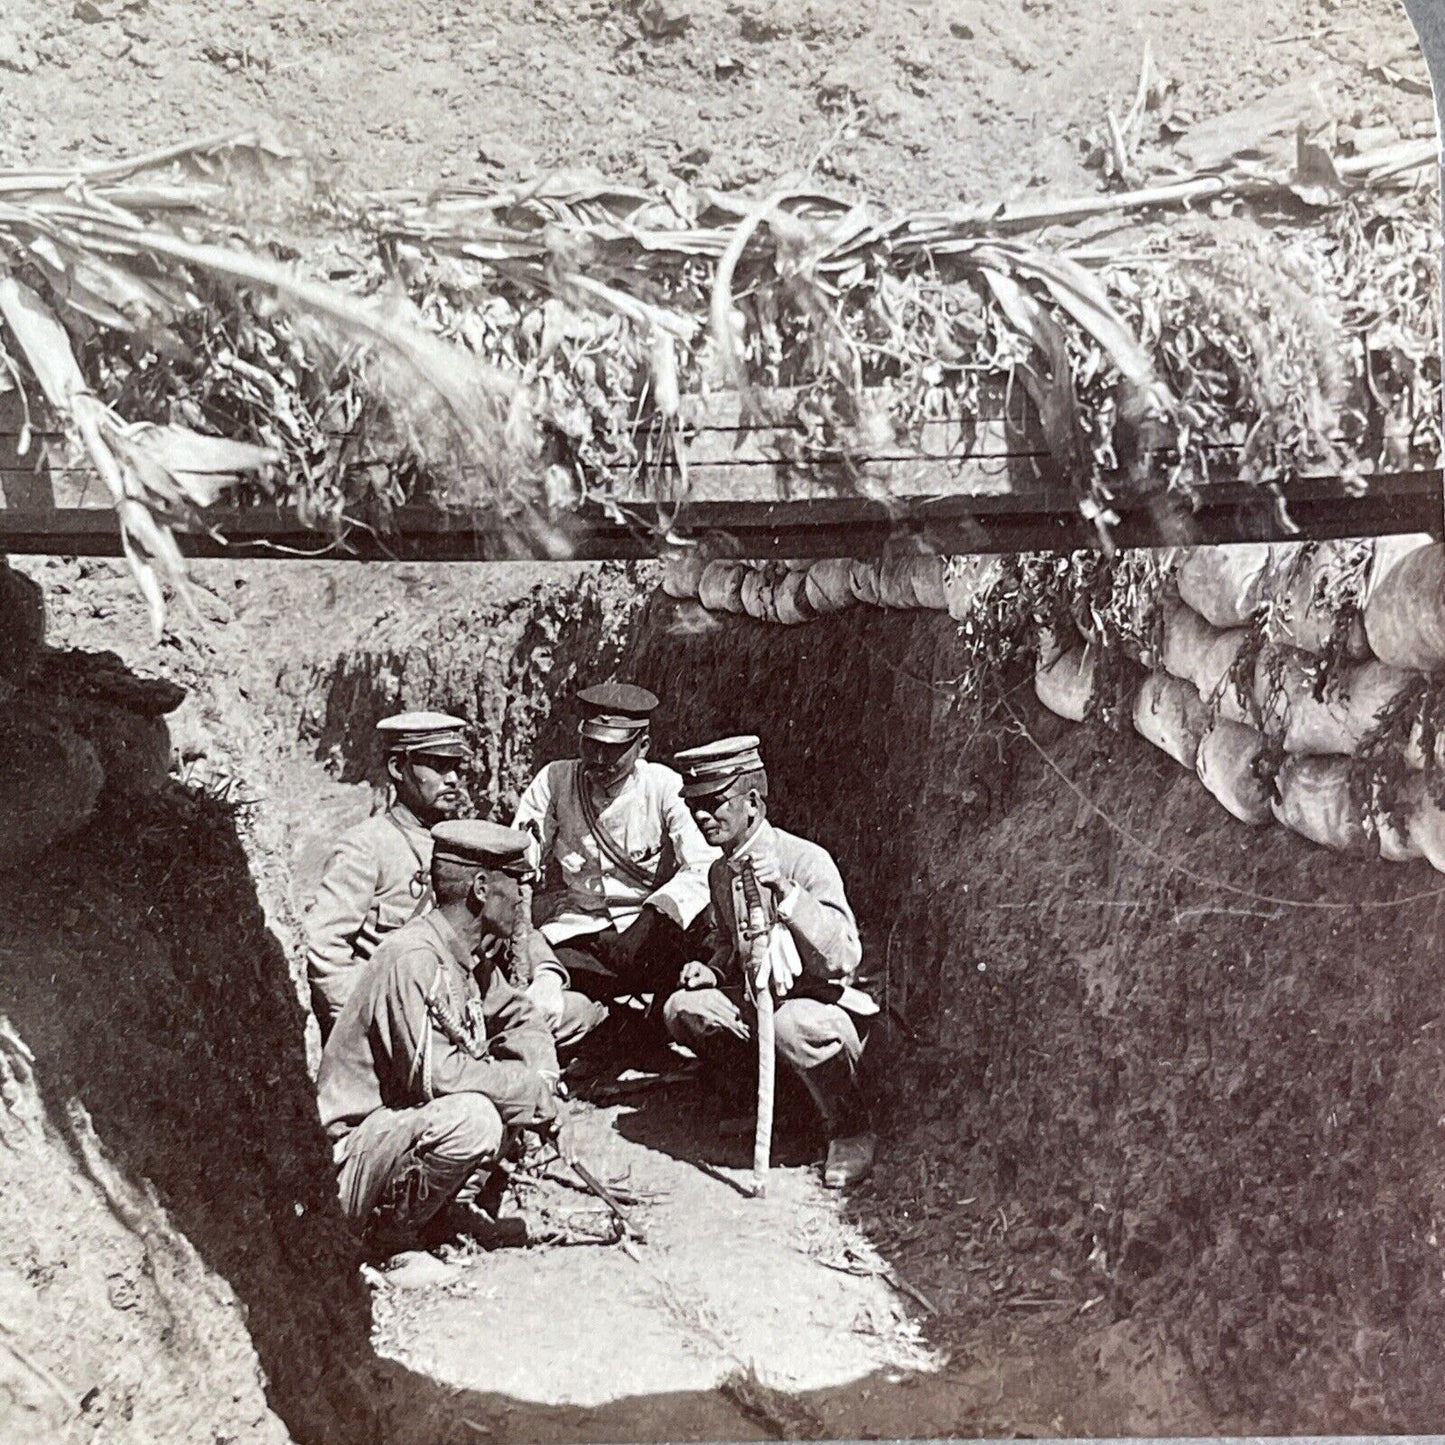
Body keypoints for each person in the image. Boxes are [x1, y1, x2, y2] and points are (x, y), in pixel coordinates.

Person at [316, 820, 569, 1255]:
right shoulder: (413, 958)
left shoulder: (462, 953)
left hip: (394, 1135)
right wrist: (527, 1092)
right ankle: (390, 1245)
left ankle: (443, 1218)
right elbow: (440, 1078)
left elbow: (518, 1016)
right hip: (349, 1158)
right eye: (517, 885)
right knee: (475, 1117)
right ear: (482, 888)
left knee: (499, 1095)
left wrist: (542, 1077)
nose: (523, 900)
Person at [664, 735, 879, 1189]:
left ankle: (850, 1129)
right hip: (759, 1008)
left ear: (753, 803)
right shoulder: (720, 872)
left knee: (790, 1025)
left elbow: (845, 956)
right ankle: (779, 1109)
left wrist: (788, 895)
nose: (702, 816)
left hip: (818, 1011)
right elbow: (730, 941)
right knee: (685, 1009)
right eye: (695, 804)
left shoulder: (804, 860)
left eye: (715, 802)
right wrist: (715, 971)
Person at [511, 683, 718, 1040]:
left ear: (643, 747)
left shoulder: (664, 786)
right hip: (580, 931)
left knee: (692, 952)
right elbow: (521, 857)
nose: (601, 760)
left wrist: (657, 913)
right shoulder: (555, 780)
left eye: (615, 749)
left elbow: (704, 866)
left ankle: (645, 1021)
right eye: (592, 745)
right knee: (537, 969)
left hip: (649, 932)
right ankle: (616, 1022)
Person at [305, 712, 471, 1036]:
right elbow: (325, 949)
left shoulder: (461, 844)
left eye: (456, 767)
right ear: (398, 768)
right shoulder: (365, 847)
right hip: (392, 1026)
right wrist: (363, 1025)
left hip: (450, 1017)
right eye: (438, 766)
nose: (452, 778)